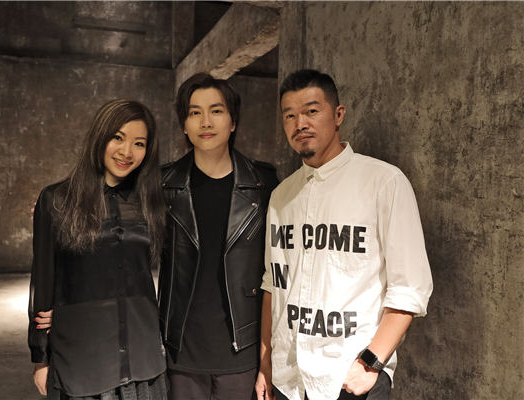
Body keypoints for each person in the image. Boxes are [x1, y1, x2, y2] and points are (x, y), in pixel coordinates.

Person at [255, 70, 433, 400]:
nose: (300, 124)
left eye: (311, 111)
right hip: (288, 380)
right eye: (290, 115)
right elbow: (273, 284)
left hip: (349, 377)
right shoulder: (281, 196)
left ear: (338, 115)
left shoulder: (384, 182)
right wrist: (266, 363)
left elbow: (410, 288)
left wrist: (370, 364)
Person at [28, 99, 168, 400]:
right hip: (84, 359)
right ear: (99, 136)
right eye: (118, 137)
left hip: (143, 356)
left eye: (139, 143)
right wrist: (40, 357)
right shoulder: (56, 199)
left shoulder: (152, 201)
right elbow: (43, 280)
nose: (127, 152)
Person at [158, 73, 279, 399]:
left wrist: (267, 357)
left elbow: (276, 272)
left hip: (241, 351)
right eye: (195, 112)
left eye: (216, 110)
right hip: (181, 351)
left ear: (233, 121)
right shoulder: (164, 184)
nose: (206, 122)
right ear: (184, 125)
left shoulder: (263, 183)